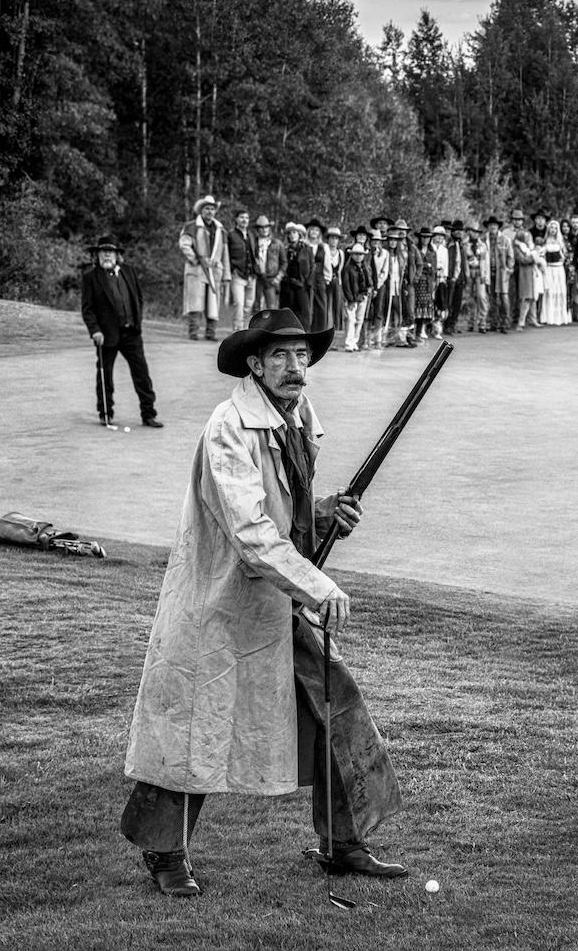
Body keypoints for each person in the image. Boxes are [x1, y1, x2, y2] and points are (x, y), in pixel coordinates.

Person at [120, 309, 407, 897]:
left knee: (337, 704)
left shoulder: (296, 415)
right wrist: (319, 587)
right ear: (255, 364)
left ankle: (342, 843)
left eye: (301, 355)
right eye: (280, 356)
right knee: (192, 725)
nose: (294, 367)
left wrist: (322, 510)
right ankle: (164, 854)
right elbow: (250, 536)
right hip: (219, 602)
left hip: (278, 600)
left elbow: (287, 508)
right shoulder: (229, 426)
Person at [81, 239, 161, 429]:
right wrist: (95, 331)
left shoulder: (129, 271)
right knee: (105, 376)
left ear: (117, 255)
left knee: (142, 374)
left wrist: (137, 321)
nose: (107, 255)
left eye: (110, 251)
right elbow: (87, 309)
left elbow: (138, 298)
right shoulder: (91, 277)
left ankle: (148, 414)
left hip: (131, 332)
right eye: (103, 252)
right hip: (106, 335)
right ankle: (106, 413)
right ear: (97, 255)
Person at [179, 195, 229, 341]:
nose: (210, 212)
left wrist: (226, 274)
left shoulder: (221, 230)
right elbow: (184, 244)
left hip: (214, 270)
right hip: (197, 269)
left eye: (212, 209)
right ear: (201, 210)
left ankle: (210, 332)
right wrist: (195, 259)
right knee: (195, 301)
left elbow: (225, 253)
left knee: (213, 303)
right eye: (207, 208)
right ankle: (193, 331)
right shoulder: (191, 226)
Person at [339, 236, 374, 352]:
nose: (358, 256)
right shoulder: (347, 268)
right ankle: (348, 343)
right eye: (356, 254)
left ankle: (355, 341)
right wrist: (350, 299)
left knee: (359, 320)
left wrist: (368, 290)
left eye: (360, 254)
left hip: (362, 297)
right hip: (352, 298)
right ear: (352, 255)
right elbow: (346, 286)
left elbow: (369, 282)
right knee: (350, 320)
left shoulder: (365, 268)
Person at [225, 208, 253, 330]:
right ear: (236, 219)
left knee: (248, 305)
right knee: (239, 304)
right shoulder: (230, 235)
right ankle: (237, 330)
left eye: (246, 218)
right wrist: (231, 270)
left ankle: (245, 328)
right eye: (241, 217)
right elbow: (226, 255)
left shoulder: (251, 235)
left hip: (252, 275)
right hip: (237, 274)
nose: (244, 220)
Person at [250, 215, 283, 315]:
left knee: (271, 307)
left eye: (266, 227)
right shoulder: (253, 243)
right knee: (256, 306)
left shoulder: (277, 243)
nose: (264, 230)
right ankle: (256, 328)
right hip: (257, 277)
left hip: (271, 278)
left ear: (269, 228)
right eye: (261, 227)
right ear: (257, 229)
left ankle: (271, 329)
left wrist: (278, 277)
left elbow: (284, 262)